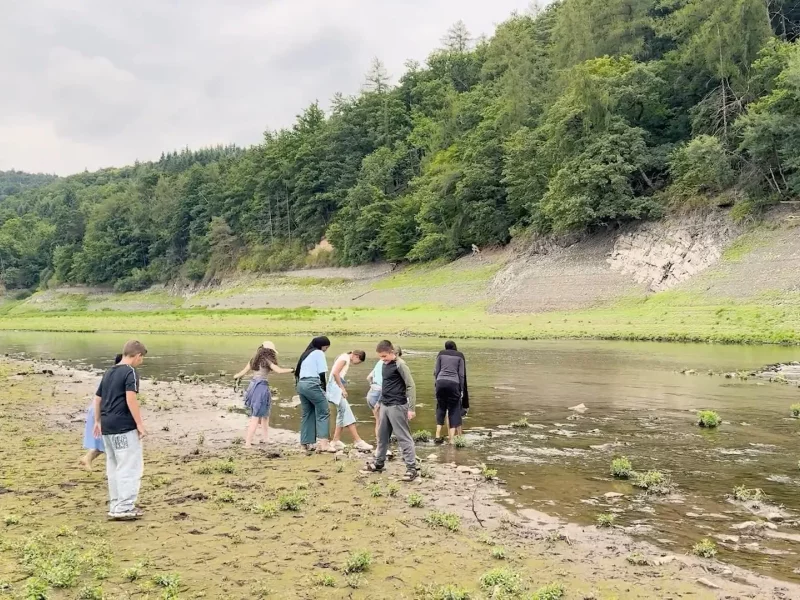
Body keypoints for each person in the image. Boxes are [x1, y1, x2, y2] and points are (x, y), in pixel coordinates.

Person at [93, 340, 148, 521]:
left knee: (114, 466)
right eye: (142, 359)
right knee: (129, 466)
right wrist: (139, 423)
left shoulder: (109, 371)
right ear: (137, 355)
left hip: (108, 426)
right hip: (124, 426)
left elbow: (97, 398)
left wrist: (97, 421)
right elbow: (131, 398)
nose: (141, 362)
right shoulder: (130, 372)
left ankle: (116, 504)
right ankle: (124, 507)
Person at [365, 340, 417, 481]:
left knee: (403, 437)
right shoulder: (383, 365)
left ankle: (411, 468)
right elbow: (386, 385)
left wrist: (411, 408)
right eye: (380, 357)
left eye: (384, 356)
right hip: (385, 405)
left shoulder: (401, 365)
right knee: (382, 436)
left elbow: (411, 386)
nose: (382, 359)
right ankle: (379, 463)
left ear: (392, 353)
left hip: (397, 406)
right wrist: (379, 402)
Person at [234, 341, 294, 447]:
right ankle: (248, 443)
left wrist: (236, 377)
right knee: (256, 416)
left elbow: (242, 372)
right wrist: (292, 370)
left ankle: (265, 438)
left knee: (265, 414)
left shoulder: (254, 360)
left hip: (252, 386)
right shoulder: (267, 360)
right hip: (261, 387)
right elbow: (278, 371)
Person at [79, 353, 123, 470]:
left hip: (97, 409)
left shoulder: (109, 374)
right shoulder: (119, 376)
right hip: (102, 411)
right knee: (109, 442)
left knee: (104, 442)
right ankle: (112, 467)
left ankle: (87, 458)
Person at [295, 336, 336, 453]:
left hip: (301, 384)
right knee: (324, 411)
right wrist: (324, 388)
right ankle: (324, 444)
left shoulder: (306, 354)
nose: (326, 349)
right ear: (322, 345)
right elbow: (322, 373)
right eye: (326, 347)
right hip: (312, 384)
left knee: (307, 413)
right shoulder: (318, 353)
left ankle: (305, 443)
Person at [328, 350, 373, 451]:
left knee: (342, 412)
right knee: (347, 413)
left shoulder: (344, 357)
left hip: (334, 388)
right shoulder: (344, 359)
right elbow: (335, 373)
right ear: (356, 356)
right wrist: (342, 388)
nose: (357, 364)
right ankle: (358, 441)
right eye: (359, 361)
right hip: (335, 389)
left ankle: (335, 441)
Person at [434, 340, 469, 445]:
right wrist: (461, 389)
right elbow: (461, 374)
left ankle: (437, 435)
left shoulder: (441, 354)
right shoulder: (460, 356)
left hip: (440, 382)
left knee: (440, 407)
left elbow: (436, 371)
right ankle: (451, 439)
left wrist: (437, 384)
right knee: (453, 410)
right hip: (454, 383)